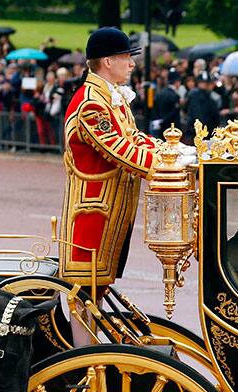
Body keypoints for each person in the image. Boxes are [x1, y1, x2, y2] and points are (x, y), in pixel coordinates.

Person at [58, 26, 163, 346]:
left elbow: (135, 139)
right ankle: (83, 358)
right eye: (125, 58)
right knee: (85, 290)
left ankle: (87, 353)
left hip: (110, 212)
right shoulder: (92, 103)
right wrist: (167, 166)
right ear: (106, 61)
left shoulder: (109, 97)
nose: (131, 64)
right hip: (94, 213)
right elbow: (121, 150)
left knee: (97, 289)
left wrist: (172, 151)